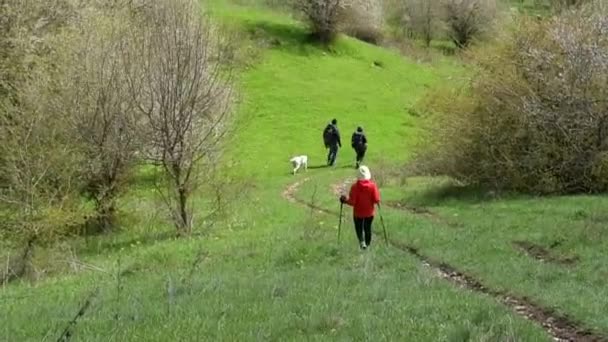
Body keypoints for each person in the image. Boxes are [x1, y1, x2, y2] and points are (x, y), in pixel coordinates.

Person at [339, 165, 381, 250]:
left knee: (359, 228)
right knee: (367, 228)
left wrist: (344, 200)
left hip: (358, 213)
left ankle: (362, 242)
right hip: (369, 213)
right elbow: (376, 200)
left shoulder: (355, 187)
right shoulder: (373, 186)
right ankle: (368, 244)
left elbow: (352, 202)